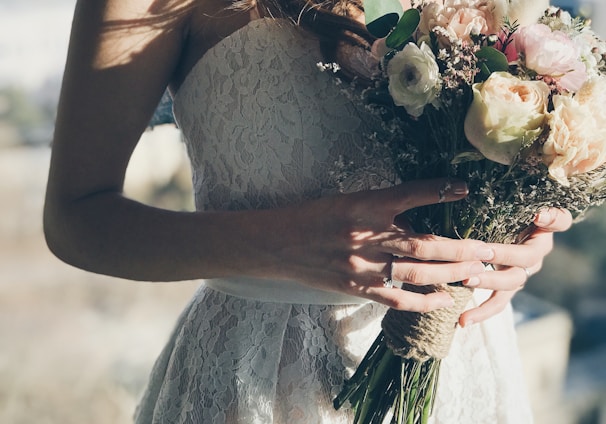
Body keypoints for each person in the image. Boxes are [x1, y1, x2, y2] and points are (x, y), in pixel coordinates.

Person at [44, 0, 572, 422]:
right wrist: (281, 244)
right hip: (260, 383)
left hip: (465, 370)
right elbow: (75, 217)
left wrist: (514, 234)